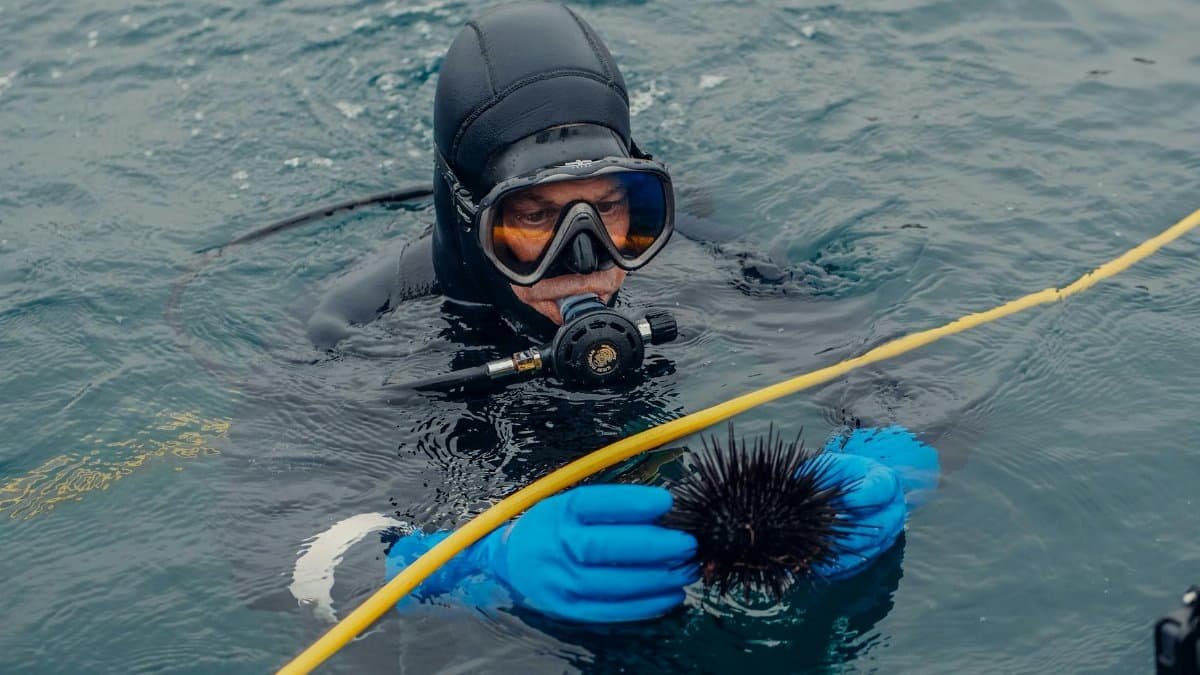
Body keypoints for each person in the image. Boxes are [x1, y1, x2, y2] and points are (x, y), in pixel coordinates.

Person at [304, 3, 941, 623]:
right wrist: (465, 571)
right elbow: (283, 548)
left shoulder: (700, 264)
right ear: (468, 215)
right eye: (533, 216)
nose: (585, 258)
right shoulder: (359, 331)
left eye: (609, 206)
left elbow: (883, 366)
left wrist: (892, 453)